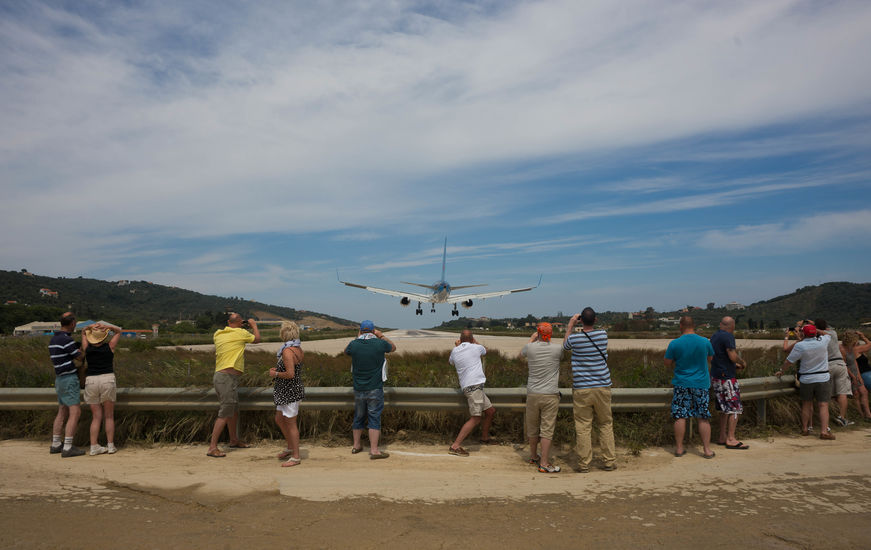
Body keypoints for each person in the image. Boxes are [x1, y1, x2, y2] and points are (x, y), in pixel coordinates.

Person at [563, 307, 616, 472]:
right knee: (605, 423)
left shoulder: (575, 339)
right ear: (595, 320)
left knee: (583, 425)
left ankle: (584, 463)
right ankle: (608, 461)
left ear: (581, 321)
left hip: (582, 388)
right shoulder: (602, 335)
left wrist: (571, 324)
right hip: (602, 386)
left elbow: (565, 345)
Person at [207, 313, 260, 458]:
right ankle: (212, 447)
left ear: (228, 322)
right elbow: (257, 339)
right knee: (225, 412)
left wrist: (241, 323)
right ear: (240, 322)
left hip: (222, 378)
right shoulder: (241, 332)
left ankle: (234, 440)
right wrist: (253, 325)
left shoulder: (218, 333)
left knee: (233, 410)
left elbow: (233, 332)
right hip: (226, 378)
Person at [664, 316, 715, 459]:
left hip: (682, 383)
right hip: (701, 383)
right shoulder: (705, 342)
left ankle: (679, 449)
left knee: (680, 416)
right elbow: (711, 359)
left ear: (681, 326)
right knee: (703, 417)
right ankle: (707, 450)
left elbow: (667, 363)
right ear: (694, 325)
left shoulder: (675, 343)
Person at [775, 324, 835, 440]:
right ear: (814, 333)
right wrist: (816, 329)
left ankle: (804, 429)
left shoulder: (800, 346)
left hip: (807, 378)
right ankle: (824, 432)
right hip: (823, 377)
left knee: (806, 404)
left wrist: (781, 371)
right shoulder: (823, 341)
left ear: (803, 334)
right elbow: (828, 334)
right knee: (823, 405)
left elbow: (789, 361)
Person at [345, 320, 394, 459]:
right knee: (374, 418)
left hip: (359, 387)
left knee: (359, 416)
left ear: (360, 331)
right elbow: (393, 347)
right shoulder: (379, 343)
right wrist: (381, 336)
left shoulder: (354, 344)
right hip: (375, 387)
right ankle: (374, 450)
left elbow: (346, 351)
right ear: (373, 331)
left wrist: (357, 337)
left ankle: (356, 446)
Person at [521, 322, 563, 473]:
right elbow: (561, 355)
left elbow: (522, 353)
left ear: (538, 333)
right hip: (550, 393)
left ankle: (533, 456)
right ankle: (544, 462)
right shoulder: (557, 349)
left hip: (532, 393)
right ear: (551, 334)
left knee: (532, 427)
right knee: (547, 429)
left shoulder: (530, 347)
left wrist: (532, 339)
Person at [448, 329, 495, 457]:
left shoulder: (455, 350)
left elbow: (451, 362)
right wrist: (475, 342)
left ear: (460, 338)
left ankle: (484, 438)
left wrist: (458, 347)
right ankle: (455, 446)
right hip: (474, 387)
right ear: (472, 339)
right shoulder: (476, 347)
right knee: (476, 418)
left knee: (490, 411)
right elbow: (485, 350)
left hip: (473, 388)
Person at [81, 322, 123, 456]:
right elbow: (119, 331)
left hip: (91, 380)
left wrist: (90, 327)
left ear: (91, 337)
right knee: (109, 416)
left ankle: (94, 446)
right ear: (103, 337)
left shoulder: (87, 348)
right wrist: (108, 327)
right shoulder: (110, 347)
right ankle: (110, 445)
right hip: (107, 379)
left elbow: (82, 332)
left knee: (96, 417)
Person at [48, 312, 86, 458]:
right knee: (75, 411)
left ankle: (56, 443)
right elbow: (79, 356)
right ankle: (68, 446)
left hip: (59, 379)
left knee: (62, 411)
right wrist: (82, 348)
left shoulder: (54, 339)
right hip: (69, 378)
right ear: (71, 324)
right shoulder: (66, 340)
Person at [709, 316, 749, 449]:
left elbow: (717, 357)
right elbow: (732, 355)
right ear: (732, 326)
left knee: (723, 409)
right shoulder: (728, 336)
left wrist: (731, 366)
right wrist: (742, 362)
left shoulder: (714, 336)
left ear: (721, 324)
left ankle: (722, 436)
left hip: (716, 376)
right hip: (726, 377)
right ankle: (731, 439)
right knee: (734, 408)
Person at [270, 321, 305, 467]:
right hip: (288, 390)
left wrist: (275, 373)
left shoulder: (287, 351)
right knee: (279, 418)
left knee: (291, 423)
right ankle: (290, 447)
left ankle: (296, 456)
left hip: (288, 391)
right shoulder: (297, 348)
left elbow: (290, 374)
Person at [816, 319, 853, 427]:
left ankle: (825, 418)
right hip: (840, 364)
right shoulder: (833, 333)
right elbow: (826, 329)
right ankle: (841, 417)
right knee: (842, 393)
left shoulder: (817, 339)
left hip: (827, 366)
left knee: (828, 394)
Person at [840, 330, 871, 422]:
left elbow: (854, 363)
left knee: (860, 393)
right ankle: (864, 414)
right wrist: (863, 336)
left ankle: (865, 414)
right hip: (854, 373)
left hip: (857, 373)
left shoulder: (849, 349)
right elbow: (869, 344)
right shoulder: (853, 349)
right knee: (858, 394)